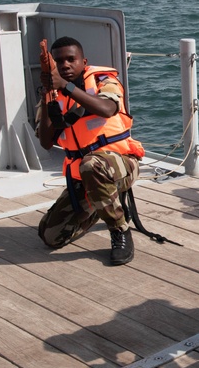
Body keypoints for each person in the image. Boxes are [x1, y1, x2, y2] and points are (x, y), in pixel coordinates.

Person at [36, 36, 145, 266]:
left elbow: (107, 108)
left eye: (70, 59)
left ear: (83, 61)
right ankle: (100, 205)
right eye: (59, 61)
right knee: (50, 236)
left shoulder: (104, 80)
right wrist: (48, 97)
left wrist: (66, 86)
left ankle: (120, 230)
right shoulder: (53, 94)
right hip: (84, 176)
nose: (65, 65)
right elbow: (46, 141)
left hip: (121, 165)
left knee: (91, 164)